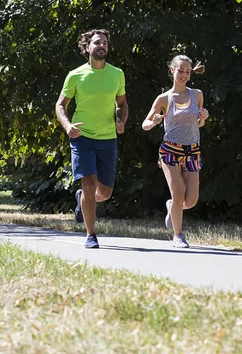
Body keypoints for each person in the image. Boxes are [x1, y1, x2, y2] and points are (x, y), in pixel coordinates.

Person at [55, 29, 128, 249]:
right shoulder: (75, 75)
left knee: (104, 193)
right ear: (87, 47)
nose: (102, 46)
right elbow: (60, 105)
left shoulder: (117, 74)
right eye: (97, 43)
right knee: (89, 183)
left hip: (107, 137)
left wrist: (121, 120)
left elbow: (122, 104)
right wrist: (67, 126)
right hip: (82, 136)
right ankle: (91, 235)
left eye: (105, 43)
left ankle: (83, 200)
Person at [142, 55, 209, 248]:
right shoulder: (164, 98)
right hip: (170, 150)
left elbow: (199, 123)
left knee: (192, 200)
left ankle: (172, 206)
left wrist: (203, 117)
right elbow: (145, 124)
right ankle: (178, 236)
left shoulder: (197, 95)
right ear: (172, 70)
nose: (184, 75)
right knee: (178, 193)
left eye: (188, 72)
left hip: (192, 151)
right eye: (180, 70)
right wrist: (154, 121)